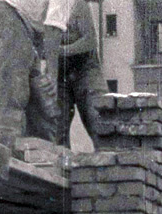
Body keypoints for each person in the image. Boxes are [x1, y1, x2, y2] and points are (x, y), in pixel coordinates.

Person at [0, 0, 71, 149]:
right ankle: (1, 155)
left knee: (37, 100)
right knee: (13, 96)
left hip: (21, 26)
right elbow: (53, 28)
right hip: (11, 17)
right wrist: (52, 74)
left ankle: (38, 156)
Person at [57, 0, 107, 148]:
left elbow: (89, 40)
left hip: (86, 68)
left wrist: (60, 50)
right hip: (60, 73)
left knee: (99, 120)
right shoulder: (42, 9)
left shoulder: (77, 4)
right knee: (56, 129)